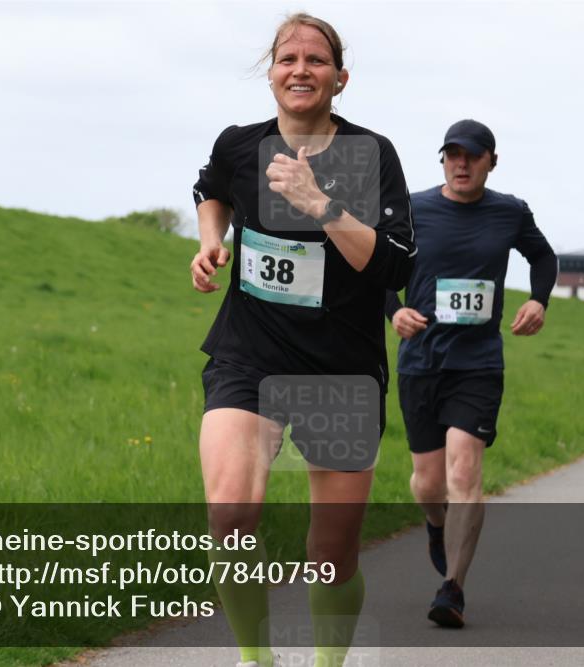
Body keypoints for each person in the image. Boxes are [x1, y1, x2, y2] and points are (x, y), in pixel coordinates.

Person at [190, 13, 416, 667]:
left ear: (339, 78)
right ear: (272, 73)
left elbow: (394, 265)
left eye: (315, 60)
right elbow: (211, 188)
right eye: (288, 58)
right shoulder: (240, 144)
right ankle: (256, 658)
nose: (300, 70)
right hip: (248, 354)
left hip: (341, 368)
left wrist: (320, 203)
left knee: (332, 552)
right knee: (231, 516)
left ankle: (325, 661)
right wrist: (213, 239)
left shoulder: (373, 155)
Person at [385, 119, 557, 628]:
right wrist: (393, 310)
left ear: (491, 161)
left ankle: (452, 588)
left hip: (478, 364)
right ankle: (436, 526)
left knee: (464, 471)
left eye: (472, 156)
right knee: (427, 482)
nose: (461, 164)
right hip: (421, 362)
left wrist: (539, 300)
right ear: (442, 160)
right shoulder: (413, 209)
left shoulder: (509, 212)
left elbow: (543, 257)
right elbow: (374, 268)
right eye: (452, 155)